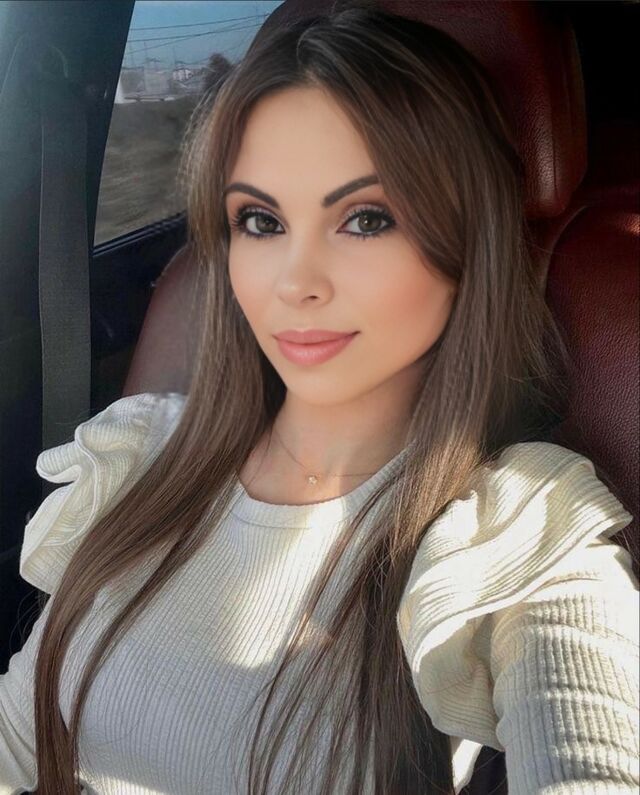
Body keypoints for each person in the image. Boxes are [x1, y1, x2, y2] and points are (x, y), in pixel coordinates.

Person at [2, 2, 638, 794]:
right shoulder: (138, 453)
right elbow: (19, 738)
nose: (294, 283)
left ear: (466, 241)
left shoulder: (516, 532)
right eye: (260, 220)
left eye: (366, 219)